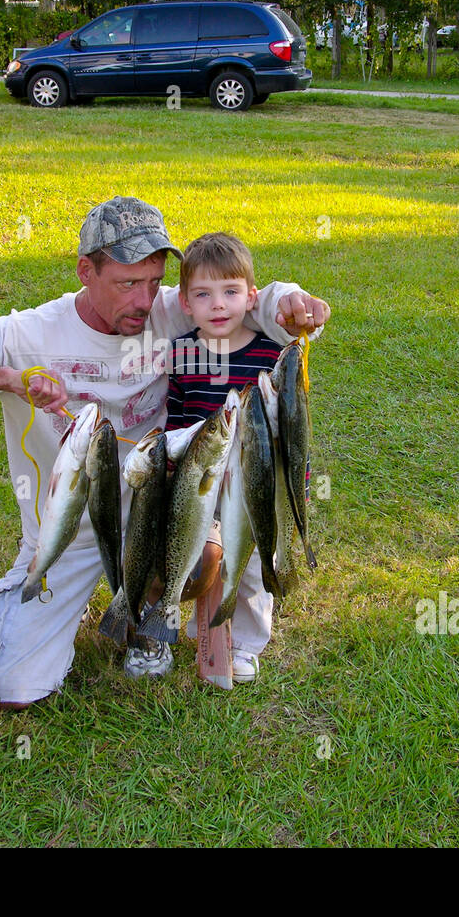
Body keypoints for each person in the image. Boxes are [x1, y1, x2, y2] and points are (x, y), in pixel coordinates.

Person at [0, 197, 331, 709]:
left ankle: (151, 618)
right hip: (73, 532)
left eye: (154, 281)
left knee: (206, 552)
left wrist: (293, 300)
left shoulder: (171, 310)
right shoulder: (31, 333)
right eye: (127, 283)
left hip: (160, 508)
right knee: (16, 690)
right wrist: (11, 379)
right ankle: (36, 607)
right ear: (86, 271)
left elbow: (250, 303)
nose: (145, 300)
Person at [149, 231, 299, 685]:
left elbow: (286, 427)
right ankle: (185, 627)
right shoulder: (180, 354)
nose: (218, 305)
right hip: (199, 481)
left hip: (251, 481)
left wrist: (295, 481)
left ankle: (245, 642)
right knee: (192, 554)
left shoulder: (269, 355)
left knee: (249, 562)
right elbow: (175, 417)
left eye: (231, 292)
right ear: (185, 303)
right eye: (204, 294)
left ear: (251, 298)